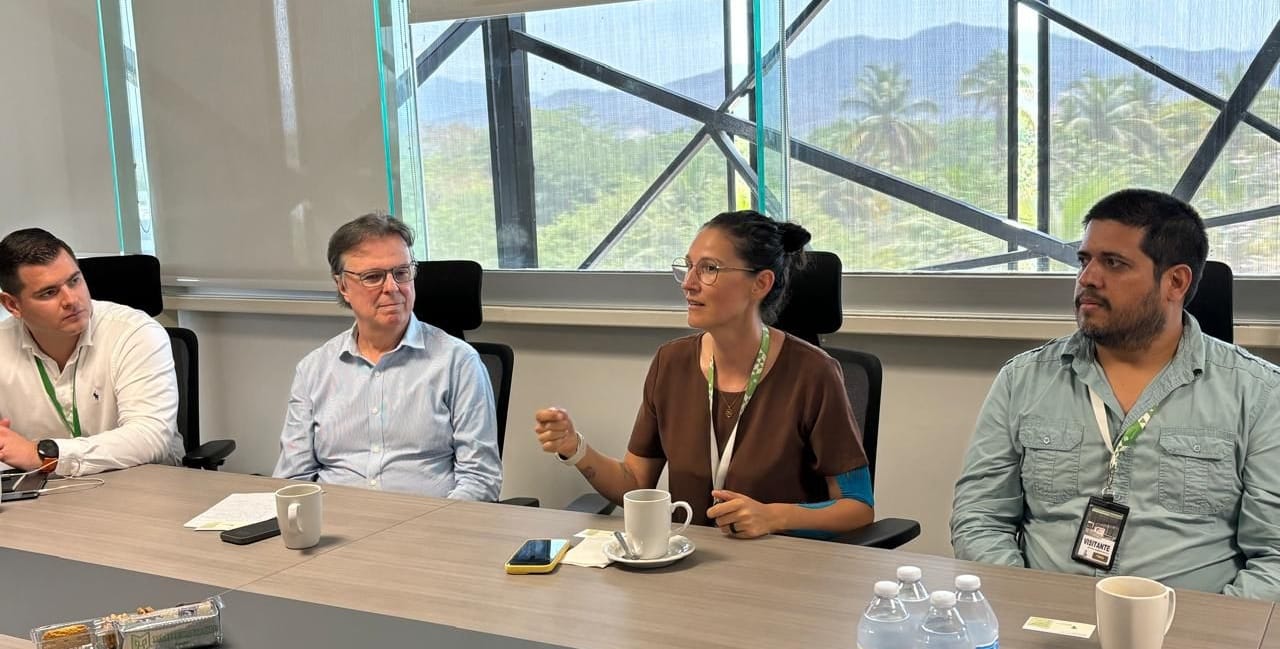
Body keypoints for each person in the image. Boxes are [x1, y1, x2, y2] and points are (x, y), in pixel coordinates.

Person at [951, 189, 1280, 600]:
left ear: (1175, 282)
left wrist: (1206, 628)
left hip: (1189, 624)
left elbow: (1274, 556)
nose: (1088, 278)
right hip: (1044, 619)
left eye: (1113, 263)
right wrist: (1024, 603)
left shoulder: (1259, 393)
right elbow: (980, 518)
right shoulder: (1023, 379)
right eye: (1084, 260)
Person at [534, 210, 874, 538]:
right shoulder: (671, 363)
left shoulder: (813, 373)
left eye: (709, 269)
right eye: (688, 267)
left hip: (778, 565)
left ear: (760, 283)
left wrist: (773, 517)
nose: (688, 284)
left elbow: (858, 507)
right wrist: (575, 448)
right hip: (688, 559)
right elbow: (635, 483)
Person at [273, 213, 501, 501]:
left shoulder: (458, 363)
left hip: (427, 522)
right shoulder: (314, 369)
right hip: (334, 522)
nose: (392, 287)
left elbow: (480, 479)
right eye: (373, 277)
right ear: (342, 286)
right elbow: (293, 479)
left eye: (401, 273)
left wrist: (433, 525)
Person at [0, 228, 181, 476]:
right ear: (12, 305)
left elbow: (150, 437)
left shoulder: (135, 333)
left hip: (143, 482)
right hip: (43, 490)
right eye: (49, 292)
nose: (71, 300)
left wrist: (44, 455)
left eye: (74, 281)